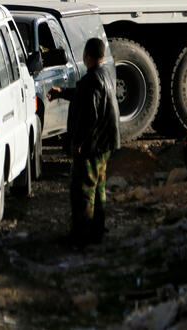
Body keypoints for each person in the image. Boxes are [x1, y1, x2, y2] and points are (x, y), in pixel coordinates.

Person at [46, 37, 120, 247]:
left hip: (92, 146)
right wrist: (63, 92)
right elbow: (84, 96)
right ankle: (96, 231)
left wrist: (78, 141)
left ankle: (81, 236)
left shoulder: (92, 80)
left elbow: (90, 116)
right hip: (105, 144)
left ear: (86, 56)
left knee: (83, 190)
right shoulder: (103, 75)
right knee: (98, 188)